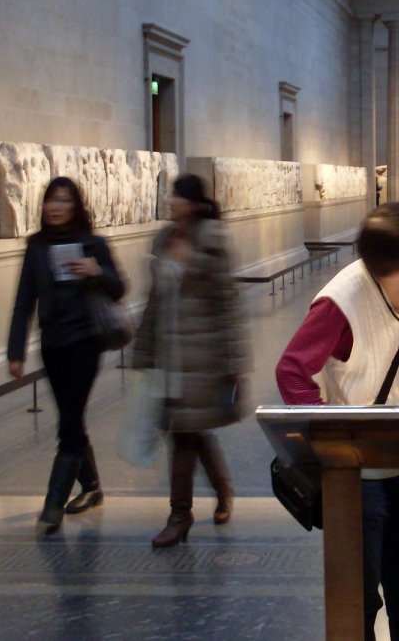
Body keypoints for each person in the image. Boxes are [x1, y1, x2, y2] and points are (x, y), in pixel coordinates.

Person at [277, 203, 399, 641]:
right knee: (359, 593)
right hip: (357, 476)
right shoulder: (340, 301)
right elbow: (292, 371)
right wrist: (332, 442)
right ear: (389, 264)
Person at [132, 174, 250, 549]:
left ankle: (179, 515)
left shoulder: (213, 241)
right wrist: (143, 350)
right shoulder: (164, 241)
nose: (171, 202)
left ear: (194, 203)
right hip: (171, 355)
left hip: (204, 356)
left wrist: (234, 361)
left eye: (178, 197)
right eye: (170, 196)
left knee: (183, 435)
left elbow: (228, 305)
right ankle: (223, 489)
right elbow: (155, 300)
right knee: (191, 431)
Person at [6, 177, 126, 535]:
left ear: (75, 206)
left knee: (68, 424)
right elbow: (24, 300)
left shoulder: (93, 244)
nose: (55, 207)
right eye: (50, 201)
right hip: (53, 345)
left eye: (63, 201)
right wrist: (15, 351)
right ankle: (92, 487)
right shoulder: (37, 246)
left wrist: (97, 271)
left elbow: (120, 288)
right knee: (72, 418)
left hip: (86, 343)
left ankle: (52, 505)